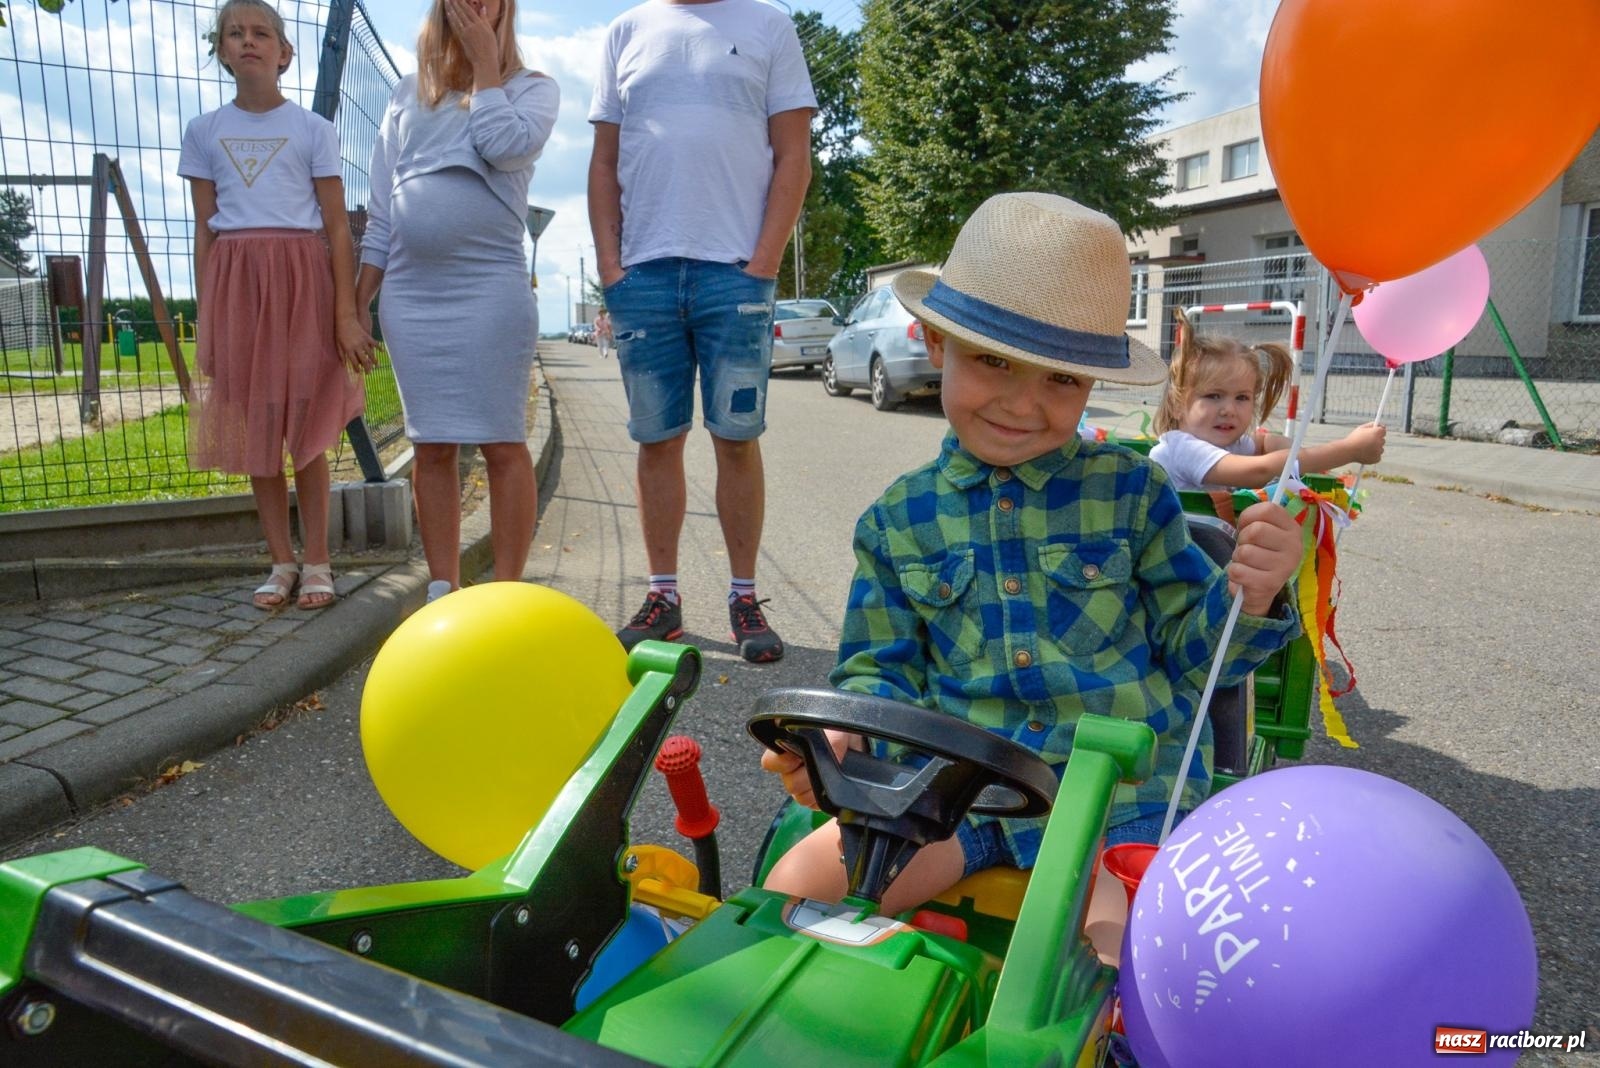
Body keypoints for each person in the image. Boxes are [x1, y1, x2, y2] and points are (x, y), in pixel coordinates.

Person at [759, 193, 1305, 961]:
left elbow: (1198, 656)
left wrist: (1256, 592)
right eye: (992, 361)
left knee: (1124, 961)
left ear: (1091, 383)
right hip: (954, 796)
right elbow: (879, 673)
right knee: (785, 901)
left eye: (1060, 378)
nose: (1023, 403)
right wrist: (844, 729)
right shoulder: (897, 522)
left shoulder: (1133, 495)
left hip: (1113, 805)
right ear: (935, 341)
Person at [588, 0, 816, 663]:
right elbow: (603, 163)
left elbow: (793, 153)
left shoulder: (769, 23)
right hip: (645, 276)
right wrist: (611, 268)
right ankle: (665, 600)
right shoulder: (625, 30)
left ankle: (744, 597)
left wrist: (763, 264)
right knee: (657, 441)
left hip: (734, 277)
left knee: (736, 441)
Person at [356, 0, 559, 604]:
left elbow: (503, 146)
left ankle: (506, 594)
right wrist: (357, 303)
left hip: (490, 287)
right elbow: (381, 213)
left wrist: (487, 68)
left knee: (501, 441)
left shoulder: (532, 89)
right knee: (432, 442)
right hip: (412, 294)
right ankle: (441, 587)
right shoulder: (404, 93)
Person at [179, 0, 373, 612]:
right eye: (234, 33)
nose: (248, 41)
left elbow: (338, 227)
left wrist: (345, 313)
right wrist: (210, 314)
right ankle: (280, 561)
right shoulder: (202, 131)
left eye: (262, 32)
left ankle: (318, 560)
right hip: (238, 284)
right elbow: (205, 228)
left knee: (307, 430)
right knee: (258, 426)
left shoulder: (313, 130)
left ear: (285, 53)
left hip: (301, 281)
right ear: (222, 51)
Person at [1150, 309, 1386, 491]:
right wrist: (1348, 450)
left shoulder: (1230, 445)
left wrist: (1306, 457)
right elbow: (1258, 471)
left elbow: (1264, 443)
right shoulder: (1180, 447)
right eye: (1213, 396)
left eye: (1242, 397)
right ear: (1177, 404)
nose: (1229, 409)